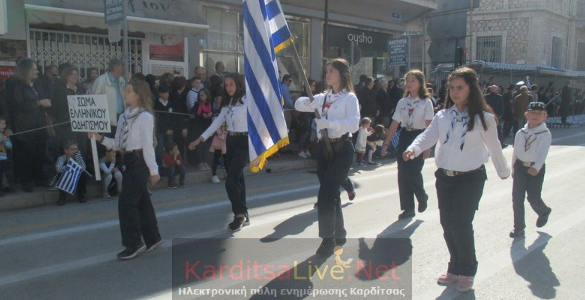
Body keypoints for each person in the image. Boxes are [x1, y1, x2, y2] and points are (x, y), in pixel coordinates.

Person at [402, 67, 510, 293]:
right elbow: (428, 136)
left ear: (472, 89)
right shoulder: (443, 115)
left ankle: (467, 269)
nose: (455, 92)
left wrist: (503, 171)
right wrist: (413, 148)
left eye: (460, 88)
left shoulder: (484, 118)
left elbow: (494, 147)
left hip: (470, 178)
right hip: (445, 177)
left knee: (461, 223)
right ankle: (454, 266)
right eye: (451, 87)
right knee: (447, 224)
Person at [89, 79, 163, 260]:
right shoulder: (123, 117)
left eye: (129, 91)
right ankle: (153, 237)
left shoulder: (145, 117)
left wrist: (154, 170)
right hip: (128, 160)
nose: (125, 93)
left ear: (138, 94)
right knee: (142, 201)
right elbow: (118, 143)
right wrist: (100, 138)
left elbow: (147, 146)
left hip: (140, 162)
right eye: (125, 91)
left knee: (126, 202)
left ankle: (134, 243)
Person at [295, 58, 360, 255]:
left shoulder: (349, 98)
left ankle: (327, 239)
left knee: (325, 194)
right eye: (327, 70)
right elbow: (298, 105)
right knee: (331, 194)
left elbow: (354, 124)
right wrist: (306, 100)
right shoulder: (323, 97)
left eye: (332, 70)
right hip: (324, 148)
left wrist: (330, 125)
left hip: (342, 148)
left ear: (341, 74)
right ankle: (339, 232)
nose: (328, 73)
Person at [189, 73, 251, 232]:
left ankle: (239, 214)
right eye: (226, 85)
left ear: (238, 84)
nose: (229, 88)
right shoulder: (227, 103)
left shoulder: (248, 100)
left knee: (231, 180)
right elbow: (216, 123)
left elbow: (260, 119)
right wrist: (199, 139)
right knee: (238, 179)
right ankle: (244, 212)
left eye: (231, 84)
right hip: (230, 141)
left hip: (244, 141)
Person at [380, 70, 434, 219]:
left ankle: (421, 196)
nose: (409, 83)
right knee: (403, 173)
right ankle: (408, 208)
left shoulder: (426, 102)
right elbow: (394, 123)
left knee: (414, 171)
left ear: (420, 83)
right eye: (407, 80)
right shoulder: (402, 102)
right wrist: (386, 143)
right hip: (405, 135)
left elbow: (430, 125)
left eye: (413, 80)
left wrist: (427, 147)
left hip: (420, 136)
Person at [6, 58, 52, 192]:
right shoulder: (14, 84)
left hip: (39, 124)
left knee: (39, 152)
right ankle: (26, 181)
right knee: (25, 155)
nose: (37, 71)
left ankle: (39, 178)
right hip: (24, 126)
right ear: (26, 70)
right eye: (34, 69)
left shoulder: (35, 84)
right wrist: (38, 103)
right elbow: (17, 105)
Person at [509, 102, 552, 238]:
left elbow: (543, 153)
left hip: (535, 169)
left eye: (539, 114)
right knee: (517, 199)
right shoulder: (520, 133)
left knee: (533, 198)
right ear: (526, 115)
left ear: (545, 116)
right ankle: (519, 228)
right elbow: (515, 151)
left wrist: (536, 167)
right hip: (520, 167)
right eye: (532, 113)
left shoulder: (545, 133)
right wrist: (513, 168)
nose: (535, 116)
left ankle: (544, 211)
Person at [51, 66, 87, 156]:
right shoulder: (60, 90)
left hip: (81, 126)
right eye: (72, 74)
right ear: (66, 76)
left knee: (81, 150)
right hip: (67, 127)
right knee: (70, 152)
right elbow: (60, 110)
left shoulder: (80, 88)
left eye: (76, 74)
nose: (75, 76)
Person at [91, 59, 126, 131]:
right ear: (115, 68)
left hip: (121, 116)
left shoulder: (122, 80)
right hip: (107, 119)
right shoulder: (101, 80)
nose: (123, 70)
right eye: (121, 68)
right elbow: (95, 99)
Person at [49, 140, 87, 206]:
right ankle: (62, 198)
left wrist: (78, 157)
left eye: (76, 149)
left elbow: (83, 167)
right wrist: (71, 169)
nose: (75, 151)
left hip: (75, 177)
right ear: (66, 150)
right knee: (60, 175)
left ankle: (81, 195)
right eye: (72, 149)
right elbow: (58, 168)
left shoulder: (78, 157)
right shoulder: (61, 158)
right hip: (66, 176)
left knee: (83, 174)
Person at [190, 88, 213, 170]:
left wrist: (210, 114)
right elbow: (192, 112)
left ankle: (205, 161)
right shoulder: (197, 104)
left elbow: (215, 112)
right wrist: (200, 114)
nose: (201, 97)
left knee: (206, 146)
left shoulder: (210, 104)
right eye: (200, 95)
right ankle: (200, 162)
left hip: (208, 126)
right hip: (199, 126)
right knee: (200, 145)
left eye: (203, 95)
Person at [153, 85, 175, 165]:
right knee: (159, 148)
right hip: (160, 130)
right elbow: (158, 120)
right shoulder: (156, 104)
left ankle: (170, 164)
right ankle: (159, 166)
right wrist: (165, 130)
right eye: (164, 93)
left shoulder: (170, 103)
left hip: (170, 130)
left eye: (167, 93)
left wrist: (171, 128)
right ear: (160, 94)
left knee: (170, 148)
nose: (167, 95)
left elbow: (173, 117)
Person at [209, 117, 227, 184]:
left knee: (226, 157)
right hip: (218, 138)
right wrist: (220, 132)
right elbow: (215, 125)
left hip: (226, 137)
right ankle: (214, 175)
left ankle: (228, 173)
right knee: (217, 157)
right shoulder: (216, 116)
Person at [0, 117, 14, 196]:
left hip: (3, 158)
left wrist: (5, 141)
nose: (4, 126)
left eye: (5, 124)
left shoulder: (4, 135)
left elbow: (9, 146)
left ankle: (4, 187)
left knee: (3, 174)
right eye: (2, 124)